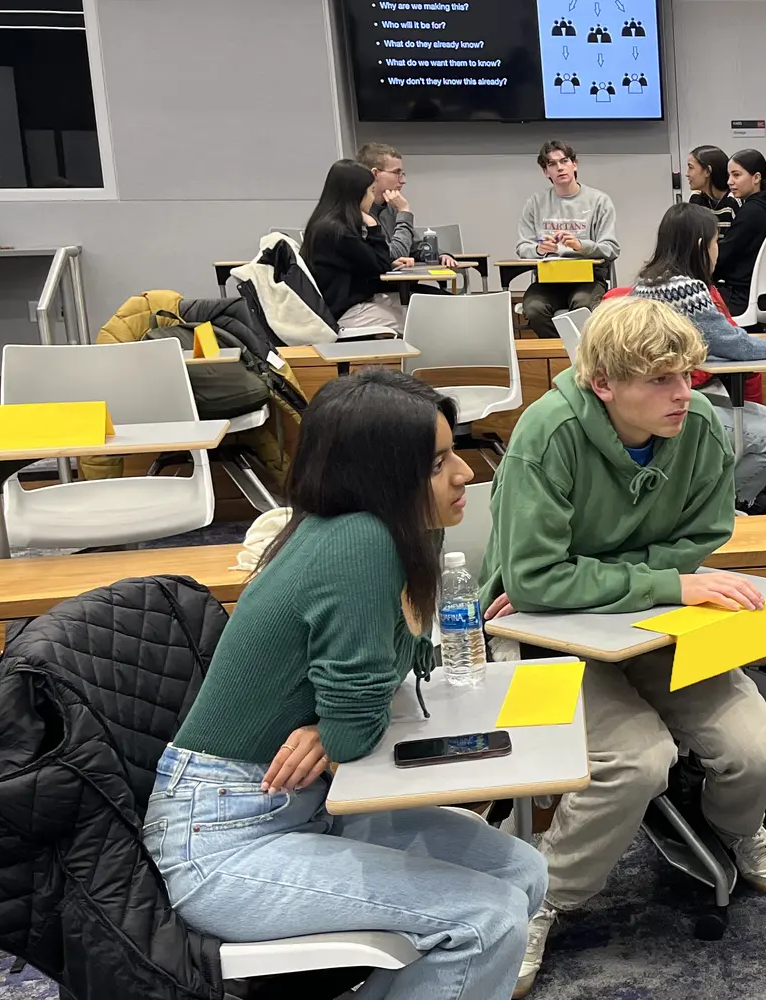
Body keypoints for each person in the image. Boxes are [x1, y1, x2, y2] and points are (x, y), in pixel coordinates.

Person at [140, 370, 546, 1000]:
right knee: (484, 920)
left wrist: (333, 727)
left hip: (299, 805)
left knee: (522, 871)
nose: (466, 473)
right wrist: (336, 728)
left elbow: (398, 674)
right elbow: (358, 724)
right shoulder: (360, 542)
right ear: (386, 476)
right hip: (223, 837)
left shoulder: (373, 532)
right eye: (440, 462)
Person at [479, 296, 766, 998]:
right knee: (636, 760)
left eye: (687, 374)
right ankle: (544, 897)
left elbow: (705, 536)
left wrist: (617, 579)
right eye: (660, 380)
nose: (684, 393)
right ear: (604, 384)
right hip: (548, 637)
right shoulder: (547, 433)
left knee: (760, 747)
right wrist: (665, 580)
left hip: (651, 623)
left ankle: (732, 827)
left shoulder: (702, 427)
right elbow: (532, 582)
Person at [630, 202, 766, 509]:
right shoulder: (686, 289)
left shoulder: (644, 285)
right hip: (673, 408)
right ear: (702, 245)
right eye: (717, 241)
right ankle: (717, 506)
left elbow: (716, 343)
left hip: (651, 402)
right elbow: (733, 344)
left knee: (765, 417)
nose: (719, 250)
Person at [516, 140, 620, 339]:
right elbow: (522, 247)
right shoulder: (536, 203)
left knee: (583, 306)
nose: (560, 168)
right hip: (548, 279)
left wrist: (581, 246)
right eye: (552, 164)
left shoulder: (599, 201)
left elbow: (611, 248)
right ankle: (562, 355)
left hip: (588, 278)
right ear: (546, 172)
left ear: (575, 164)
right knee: (534, 309)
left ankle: (582, 357)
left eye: (564, 161)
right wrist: (540, 249)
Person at [302, 158, 405, 335]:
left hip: (350, 303)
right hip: (345, 312)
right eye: (371, 191)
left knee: (416, 307)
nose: (373, 198)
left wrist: (387, 262)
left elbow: (370, 262)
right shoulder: (337, 232)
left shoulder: (326, 224)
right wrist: (373, 226)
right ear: (356, 194)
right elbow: (378, 266)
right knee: (418, 322)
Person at [713, 148, 766, 319]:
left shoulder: (752, 212)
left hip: (740, 298)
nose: (729, 181)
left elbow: (721, 258)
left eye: (736, 175)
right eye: (729, 176)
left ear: (756, 178)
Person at [355, 142, 458, 269]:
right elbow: (393, 255)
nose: (403, 180)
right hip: (377, 286)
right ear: (375, 174)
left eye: (402, 174)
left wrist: (441, 255)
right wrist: (404, 212)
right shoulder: (356, 213)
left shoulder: (391, 207)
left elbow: (415, 247)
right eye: (396, 173)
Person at [686, 144, 736, 234]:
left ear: (707, 171)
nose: (687, 174)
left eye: (691, 167)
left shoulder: (734, 201)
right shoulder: (696, 199)